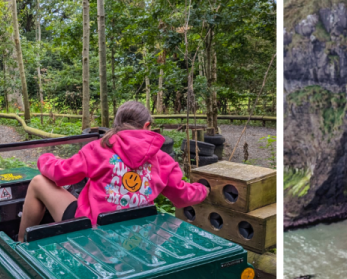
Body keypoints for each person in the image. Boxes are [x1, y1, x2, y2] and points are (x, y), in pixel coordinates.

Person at [17, 100, 208, 241]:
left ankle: (20, 244)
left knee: (38, 182)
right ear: (147, 126)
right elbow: (183, 195)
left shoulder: (97, 148)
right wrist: (205, 188)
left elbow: (60, 174)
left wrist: (46, 158)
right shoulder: (162, 159)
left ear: (116, 124)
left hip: (92, 231)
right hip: (139, 234)